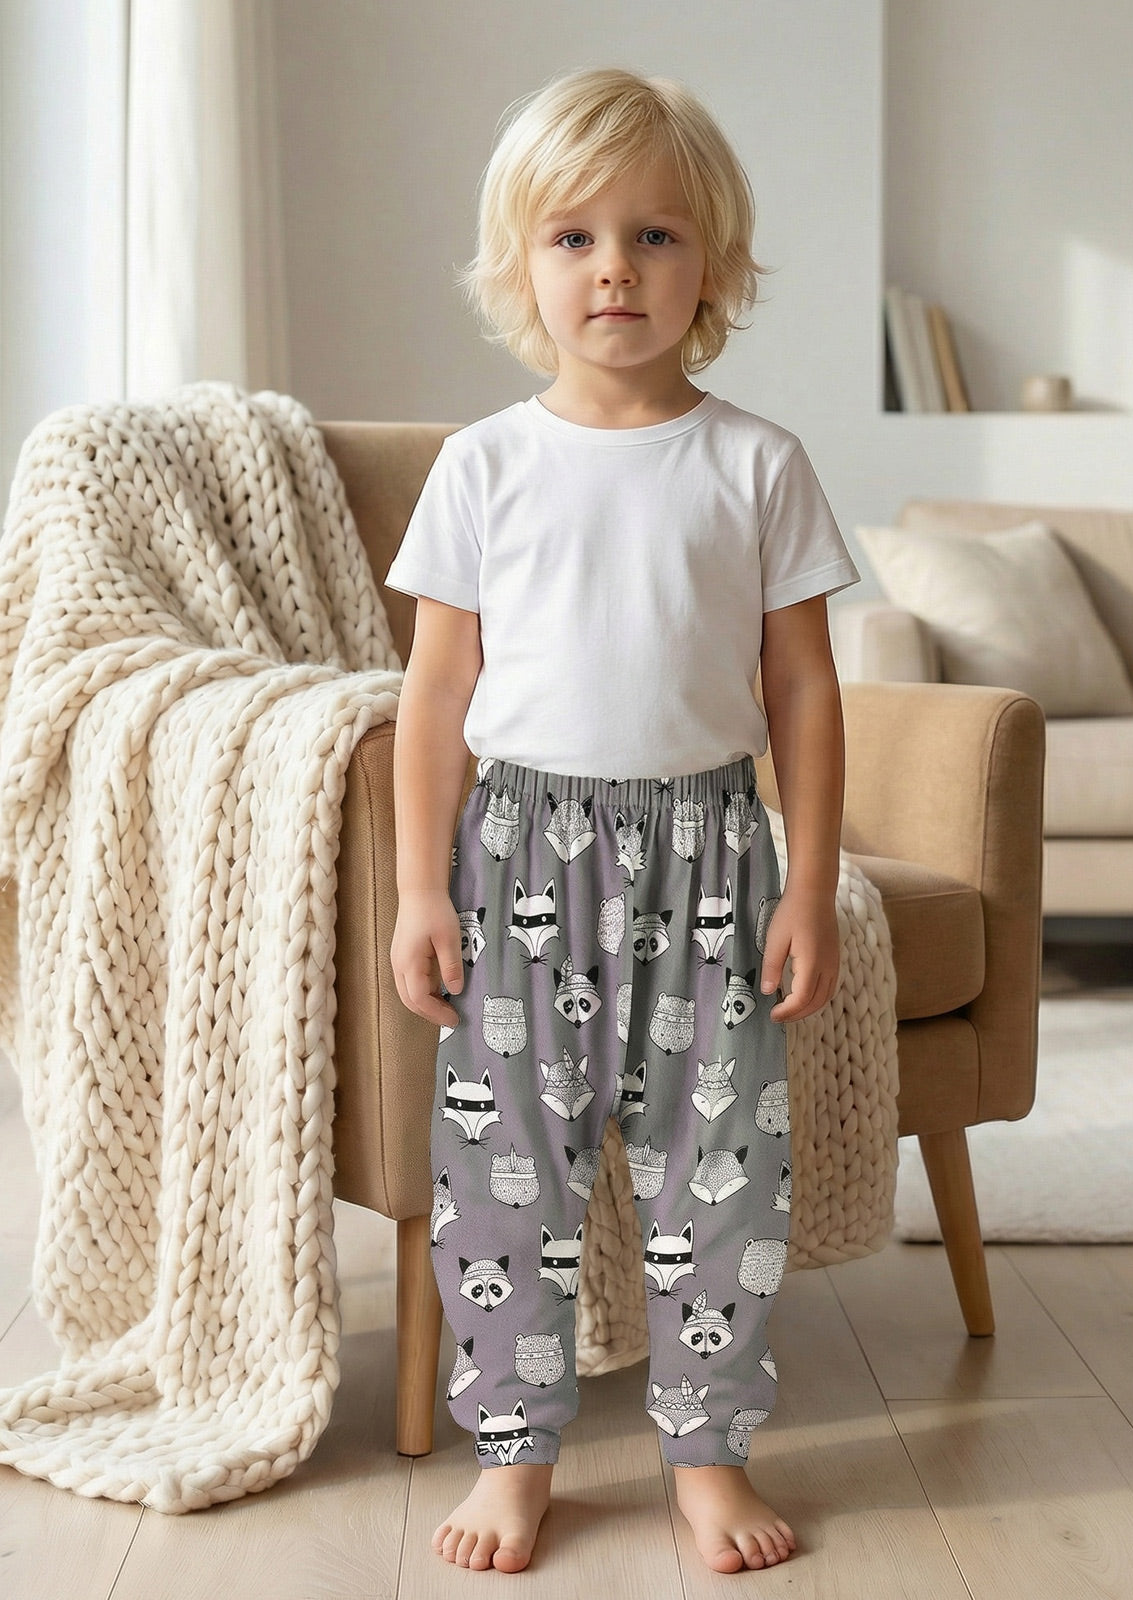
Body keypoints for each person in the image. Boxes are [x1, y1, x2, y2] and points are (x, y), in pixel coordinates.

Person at [386, 66, 859, 1576]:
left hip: (716, 861)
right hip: (519, 857)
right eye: (575, 237)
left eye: (656, 235)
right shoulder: (483, 465)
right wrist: (420, 891)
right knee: (502, 1180)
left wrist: (806, 886)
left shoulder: (758, 463)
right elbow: (434, 696)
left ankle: (708, 1455)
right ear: (520, 266)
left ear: (710, 263)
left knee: (722, 1179)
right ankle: (514, 1457)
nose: (616, 270)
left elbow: (806, 693)